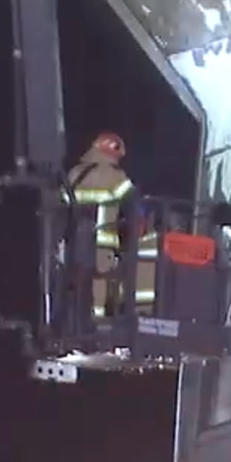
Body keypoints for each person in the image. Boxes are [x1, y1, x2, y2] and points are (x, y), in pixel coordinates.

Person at [66, 132, 156, 322]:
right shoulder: (115, 177)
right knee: (99, 284)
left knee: (77, 284)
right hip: (102, 243)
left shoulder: (74, 175)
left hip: (73, 243)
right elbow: (134, 206)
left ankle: (76, 323)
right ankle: (96, 324)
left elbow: (62, 205)